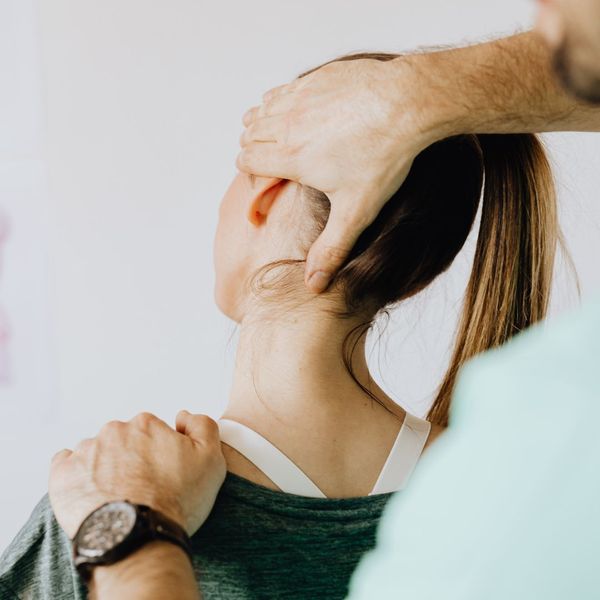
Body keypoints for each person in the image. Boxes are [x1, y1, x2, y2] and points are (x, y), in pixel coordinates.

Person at [3, 1, 600, 599]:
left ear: (265, 195)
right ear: (413, 270)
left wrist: (125, 525)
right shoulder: (533, 487)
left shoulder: (101, 515)